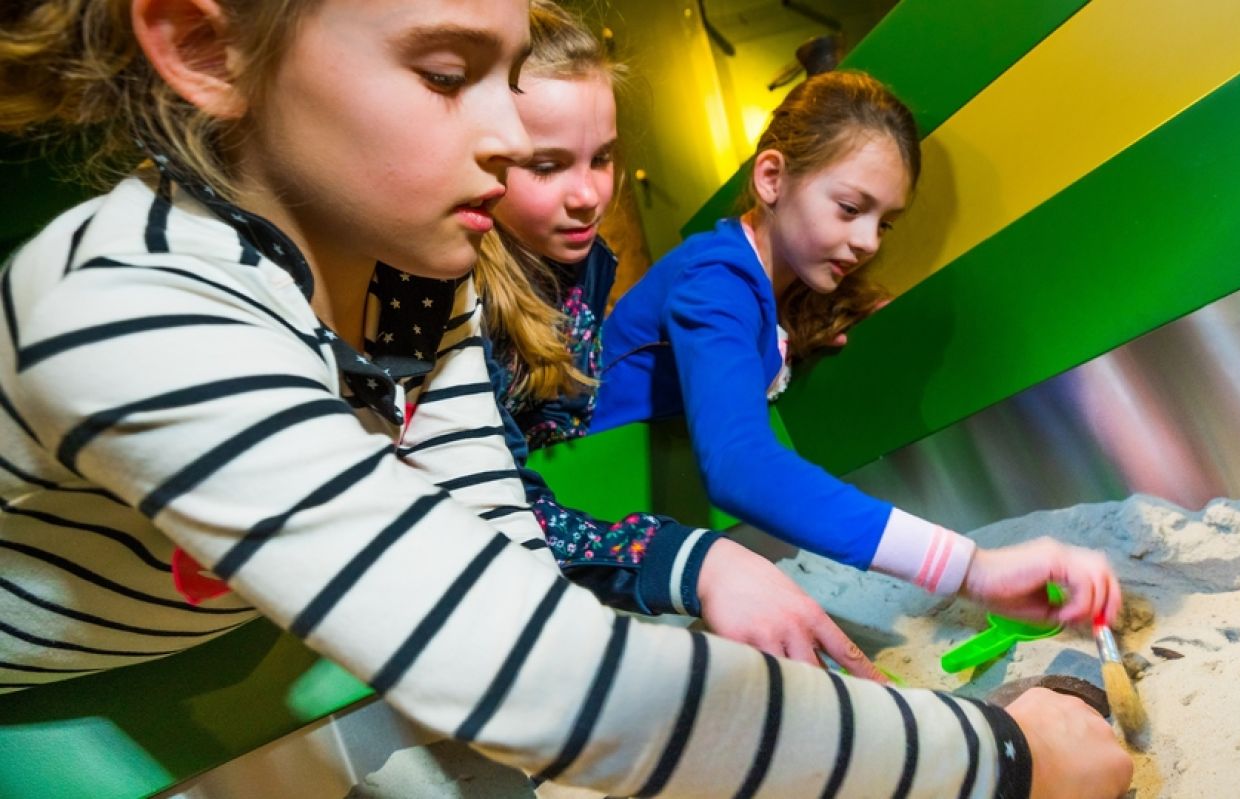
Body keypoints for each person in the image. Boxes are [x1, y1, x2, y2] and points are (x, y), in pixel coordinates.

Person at [0, 2, 1132, 797]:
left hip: (200, 638)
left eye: (504, 80)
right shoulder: (121, 301)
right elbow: (547, 685)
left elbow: (508, 567)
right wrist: (1002, 757)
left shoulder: (415, 287)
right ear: (205, 47)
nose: (503, 140)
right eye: (446, 76)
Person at [597, 69, 1124, 630]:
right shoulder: (714, 280)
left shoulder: (769, 285)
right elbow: (738, 465)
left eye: (885, 224)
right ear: (772, 177)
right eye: (850, 208)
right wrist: (971, 569)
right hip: (594, 523)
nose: (868, 241)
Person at [477, 0, 884, 675]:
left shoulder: (572, 267)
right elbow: (495, 500)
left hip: (606, 543)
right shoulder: (465, 307)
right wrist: (681, 561)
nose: (588, 195)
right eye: (546, 166)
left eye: (602, 157)